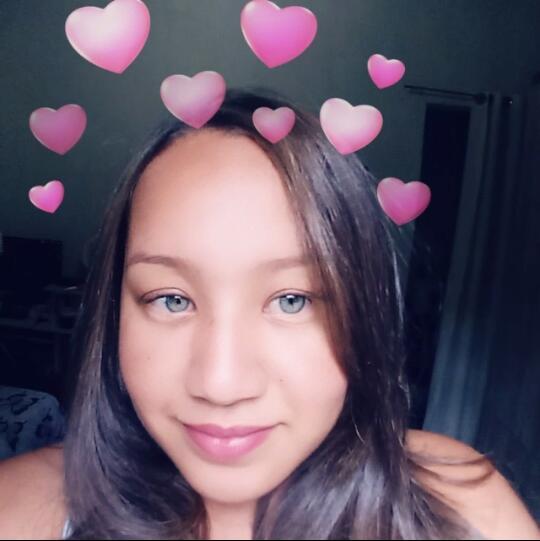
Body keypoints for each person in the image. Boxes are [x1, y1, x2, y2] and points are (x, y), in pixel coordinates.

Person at [0, 87, 538, 540]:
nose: (221, 384)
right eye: (172, 299)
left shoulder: (459, 505)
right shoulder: (26, 510)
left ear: (364, 313)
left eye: (292, 300)